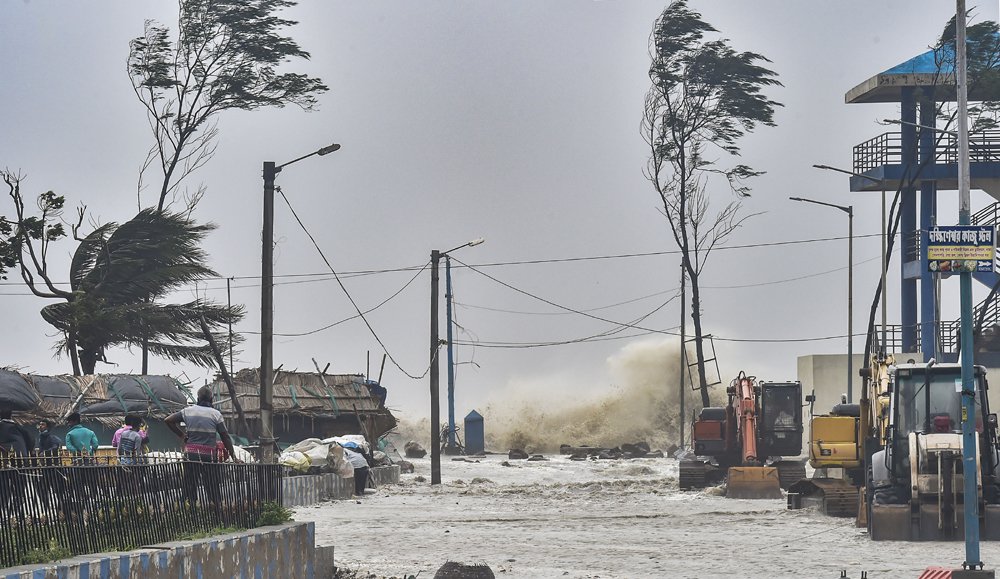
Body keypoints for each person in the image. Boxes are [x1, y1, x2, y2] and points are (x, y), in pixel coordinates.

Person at [165, 386, 240, 507]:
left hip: (191, 454)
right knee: (212, 485)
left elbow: (168, 420)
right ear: (211, 399)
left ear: (197, 398)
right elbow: (225, 436)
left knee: (189, 484)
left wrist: (182, 435)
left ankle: (189, 509)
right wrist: (233, 456)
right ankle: (216, 509)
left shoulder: (187, 411)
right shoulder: (216, 414)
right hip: (208, 455)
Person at [0, 406, 35, 517]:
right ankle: (15, 511)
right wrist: (27, 452)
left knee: (4, 486)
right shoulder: (19, 428)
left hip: (4, 460)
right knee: (20, 486)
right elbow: (31, 440)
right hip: (20, 459)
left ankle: (4, 510)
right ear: (11, 416)